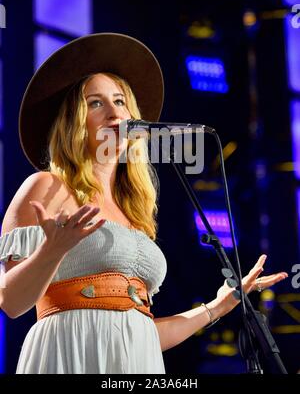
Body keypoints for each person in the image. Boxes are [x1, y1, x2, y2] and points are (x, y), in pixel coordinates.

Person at [0, 33, 287, 374]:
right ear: (73, 120)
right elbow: (12, 302)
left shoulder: (133, 212)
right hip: (69, 352)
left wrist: (216, 307)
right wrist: (52, 249)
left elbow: (140, 333)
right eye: (96, 103)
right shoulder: (47, 187)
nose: (113, 113)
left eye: (120, 101)